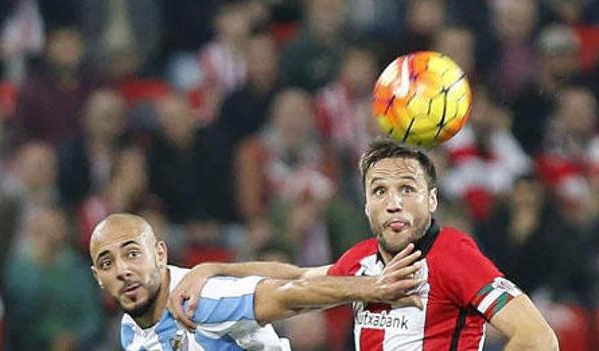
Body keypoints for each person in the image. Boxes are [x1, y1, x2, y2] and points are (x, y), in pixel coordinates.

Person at [170, 140, 559, 350]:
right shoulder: (360, 261)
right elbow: (298, 276)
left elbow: (539, 338)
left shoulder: (454, 255)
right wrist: (215, 269)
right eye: (380, 190)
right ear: (367, 204)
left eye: (407, 189)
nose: (393, 202)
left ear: (433, 200)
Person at [89, 212, 424, 350]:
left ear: (160, 254)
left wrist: (372, 287)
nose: (122, 269)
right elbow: (296, 276)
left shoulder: (198, 300)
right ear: (98, 278)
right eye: (107, 263)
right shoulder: (130, 330)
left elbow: (293, 294)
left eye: (132, 254)